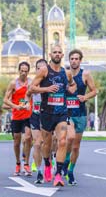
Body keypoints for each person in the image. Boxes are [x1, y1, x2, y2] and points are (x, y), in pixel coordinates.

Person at [29, 44, 76, 187]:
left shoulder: (66, 73)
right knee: (46, 143)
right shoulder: (44, 71)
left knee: (62, 141)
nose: (57, 54)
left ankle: (58, 174)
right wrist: (46, 89)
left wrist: (70, 90)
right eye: (54, 52)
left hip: (61, 112)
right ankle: (48, 164)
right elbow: (31, 88)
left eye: (59, 52)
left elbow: (73, 85)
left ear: (62, 55)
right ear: (50, 55)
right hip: (46, 112)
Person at [63, 49, 97, 185]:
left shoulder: (86, 74)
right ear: (69, 60)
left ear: (80, 60)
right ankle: (64, 162)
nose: (74, 61)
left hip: (81, 114)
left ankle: (70, 171)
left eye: (77, 59)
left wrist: (85, 97)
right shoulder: (64, 74)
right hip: (67, 113)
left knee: (76, 146)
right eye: (72, 58)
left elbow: (95, 91)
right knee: (69, 138)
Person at [3, 61, 33, 176]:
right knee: (17, 141)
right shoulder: (13, 84)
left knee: (28, 138)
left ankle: (26, 163)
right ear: (18, 70)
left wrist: (28, 104)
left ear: (28, 71)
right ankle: (17, 163)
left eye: (26, 71)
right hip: (16, 116)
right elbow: (5, 100)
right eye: (22, 71)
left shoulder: (31, 83)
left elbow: (31, 96)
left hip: (28, 115)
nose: (24, 73)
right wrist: (16, 107)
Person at [25, 59, 48, 184]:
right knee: (37, 144)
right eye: (38, 68)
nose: (41, 70)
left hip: (49, 116)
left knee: (49, 143)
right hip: (35, 115)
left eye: (43, 68)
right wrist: (27, 104)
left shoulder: (50, 82)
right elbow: (27, 95)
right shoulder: (34, 83)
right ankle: (39, 172)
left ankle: (51, 160)